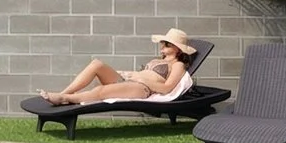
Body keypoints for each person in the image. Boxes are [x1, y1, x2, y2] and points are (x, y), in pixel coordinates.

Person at [40, 28, 198, 106]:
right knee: (97, 64)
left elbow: (166, 89)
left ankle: (65, 99)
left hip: (142, 88)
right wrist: (130, 74)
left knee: (102, 92)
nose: (161, 47)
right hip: (131, 81)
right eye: (162, 44)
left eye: (166, 44)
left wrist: (139, 78)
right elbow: (143, 73)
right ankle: (64, 92)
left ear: (177, 48)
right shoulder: (159, 60)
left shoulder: (177, 65)